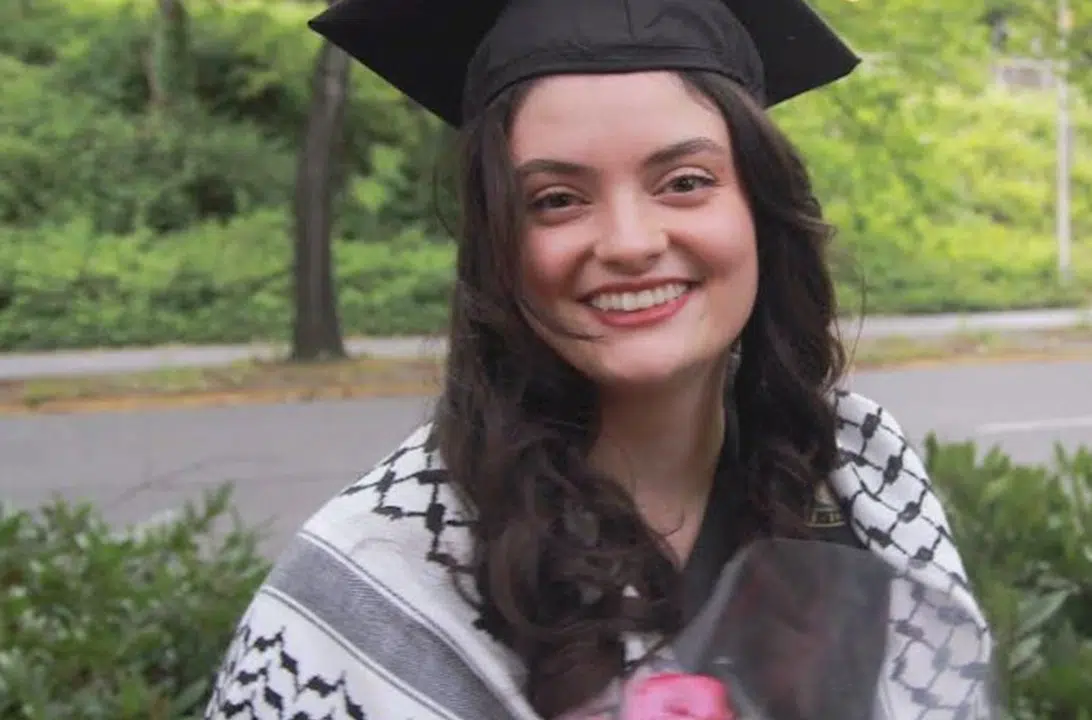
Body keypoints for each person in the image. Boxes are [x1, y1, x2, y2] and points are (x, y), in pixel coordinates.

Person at [203, 0, 992, 718]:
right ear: (498, 248)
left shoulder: (860, 472)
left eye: (684, 182)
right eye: (557, 200)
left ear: (759, 208)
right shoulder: (376, 577)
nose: (629, 243)